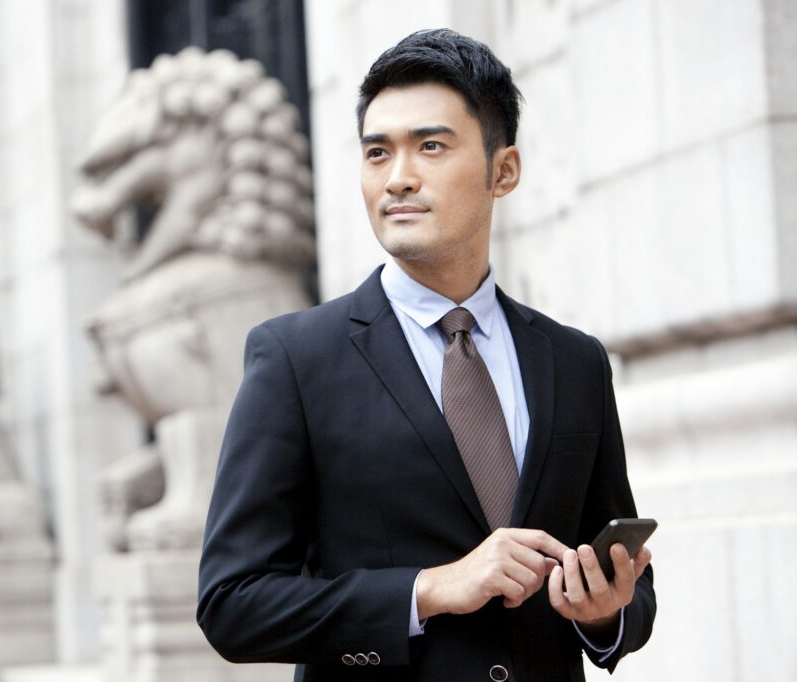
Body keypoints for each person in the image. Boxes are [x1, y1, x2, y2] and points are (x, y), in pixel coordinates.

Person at [197, 28, 655, 682]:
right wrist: (429, 589)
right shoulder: (294, 360)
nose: (399, 178)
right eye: (377, 153)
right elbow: (231, 605)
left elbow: (633, 593)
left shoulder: (574, 361)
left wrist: (604, 613)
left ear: (505, 171)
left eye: (431, 146)